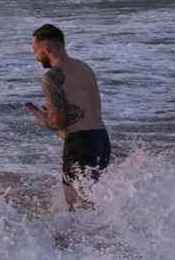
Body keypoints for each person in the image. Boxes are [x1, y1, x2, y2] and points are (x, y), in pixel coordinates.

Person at [26, 24, 111, 209]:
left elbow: (58, 120)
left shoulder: (52, 77)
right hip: (102, 140)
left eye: (35, 50)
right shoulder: (84, 67)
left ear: (46, 48)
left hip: (80, 144)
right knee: (91, 203)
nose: (35, 57)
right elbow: (87, 109)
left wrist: (42, 119)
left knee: (76, 209)